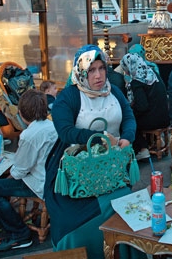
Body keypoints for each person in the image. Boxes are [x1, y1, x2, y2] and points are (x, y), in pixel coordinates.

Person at [44, 45, 137, 257]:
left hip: (112, 167)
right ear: (80, 72)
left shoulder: (114, 92)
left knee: (125, 205)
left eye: (101, 68)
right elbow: (66, 132)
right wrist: (101, 138)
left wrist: (127, 138)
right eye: (91, 70)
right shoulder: (68, 97)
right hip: (77, 170)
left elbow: (129, 116)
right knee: (74, 223)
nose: (98, 75)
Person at [0, 89, 58, 252]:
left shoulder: (29, 134)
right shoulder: (52, 125)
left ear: (21, 113)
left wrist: (7, 177)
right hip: (53, 178)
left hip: (38, 182)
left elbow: (20, 171)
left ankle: (19, 234)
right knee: (0, 185)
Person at [119, 52, 169, 160]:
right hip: (165, 117)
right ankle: (155, 140)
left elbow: (142, 106)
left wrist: (131, 112)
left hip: (154, 120)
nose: (126, 72)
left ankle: (143, 149)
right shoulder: (153, 73)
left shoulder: (137, 82)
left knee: (128, 122)